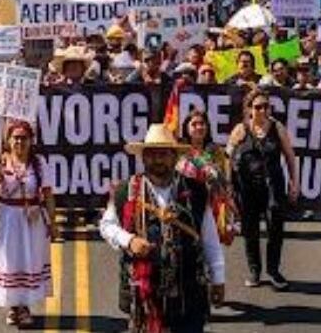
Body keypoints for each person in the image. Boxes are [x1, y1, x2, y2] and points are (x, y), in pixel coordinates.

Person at [99, 123, 225, 333]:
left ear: (174, 157)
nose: (158, 159)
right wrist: (129, 240)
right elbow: (107, 225)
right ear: (143, 157)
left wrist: (218, 277)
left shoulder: (195, 191)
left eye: (164, 154)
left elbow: (209, 236)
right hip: (144, 294)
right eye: (152, 154)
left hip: (188, 290)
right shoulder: (126, 191)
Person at [0, 120, 58, 327]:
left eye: (24, 138)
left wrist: (53, 222)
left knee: (28, 261)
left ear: (31, 140)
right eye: (16, 138)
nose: (19, 142)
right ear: (8, 140)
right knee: (10, 262)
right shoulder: (0, 162)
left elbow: (48, 195)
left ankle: (24, 307)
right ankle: (13, 307)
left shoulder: (39, 164)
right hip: (6, 220)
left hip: (32, 221)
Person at [227, 89, 299, 289]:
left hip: (273, 186)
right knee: (250, 231)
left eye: (266, 106)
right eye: (258, 107)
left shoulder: (277, 128)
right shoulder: (240, 129)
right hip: (247, 187)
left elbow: (290, 157)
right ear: (249, 109)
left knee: (275, 229)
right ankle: (254, 270)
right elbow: (227, 158)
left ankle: (273, 270)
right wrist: (228, 187)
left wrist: (295, 182)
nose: (263, 111)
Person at [178, 109, 238, 245]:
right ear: (186, 128)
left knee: (211, 250)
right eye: (194, 124)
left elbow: (224, 181)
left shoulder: (216, 151)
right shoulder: (180, 150)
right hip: (186, 205)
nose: (199, 127)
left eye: (202, 123)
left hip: (211, 207)